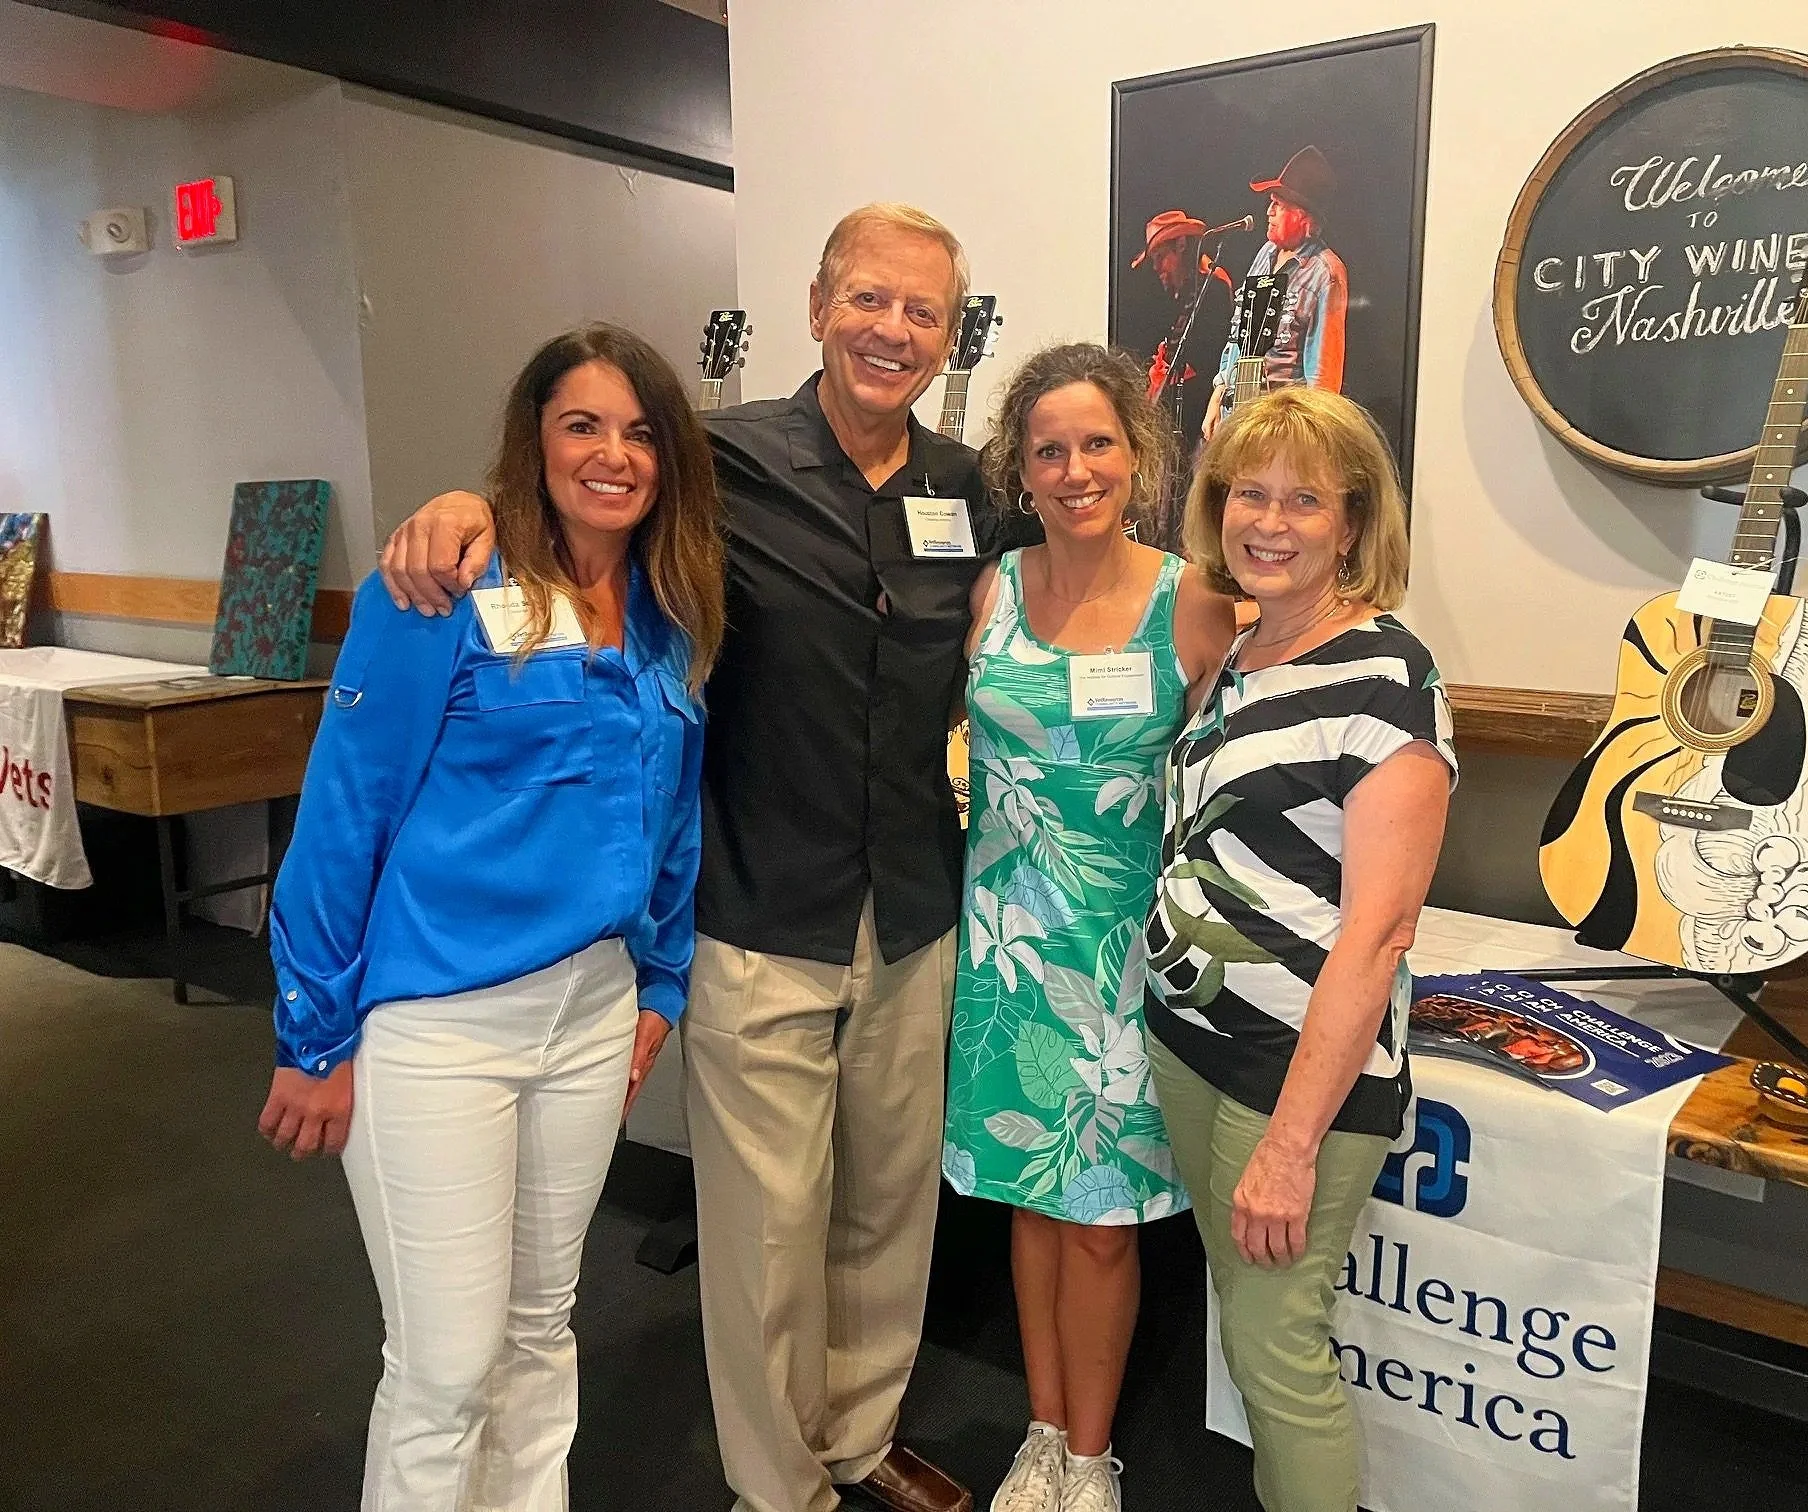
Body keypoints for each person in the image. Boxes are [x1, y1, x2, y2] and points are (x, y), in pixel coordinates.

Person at [375, 204, 1030, 1512]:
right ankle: (777, 1483)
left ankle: (858, 1435)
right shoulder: (717, 460)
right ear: (817, 306)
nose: (893, 331)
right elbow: (579, 500)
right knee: (766, 1237)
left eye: (922, 313)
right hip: (755, 905)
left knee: (887, 1215)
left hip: (912, 911)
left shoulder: (967, 491)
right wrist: (462, 505)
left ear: (950, 335)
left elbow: (1058, 607)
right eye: (870, 300)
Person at [256, 323, 722, 1510]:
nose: (613, 453)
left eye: (640, 432)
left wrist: (660, 986)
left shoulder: (667, 618)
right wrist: (311, 1036)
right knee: (445, 1367)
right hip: (437, 1025)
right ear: (536, 440)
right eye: (583, 424)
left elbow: (670, 821)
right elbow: (344, 815)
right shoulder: (441, 590)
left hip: (591, 1017)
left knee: (539, 1332)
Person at [1145, 387, 1455, 1512]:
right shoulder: (1241, 652)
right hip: (1192, 1046)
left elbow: (1377, 937)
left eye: (1305, 502)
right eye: (1248, 494)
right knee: (1248, 1328)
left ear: (1355, 527)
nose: (1268, 522)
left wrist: (1288, 1146)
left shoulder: (1385, 676)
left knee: (1280, 1358)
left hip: (1295, 1084)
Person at [943, 343, 1235, 1512]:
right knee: (1031, 1198)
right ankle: (1042, 1430)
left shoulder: (1194, 600)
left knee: (1104, 1223)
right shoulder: (994, 587)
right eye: (1050, 450)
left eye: (1097, 444)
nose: (1075, 470)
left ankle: (1092, 1453)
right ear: (1021, 467)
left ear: (1138, 455)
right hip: (1005, 940)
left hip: (1121, 956)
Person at [1203, 147, 1349, 440]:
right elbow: (1240, 334)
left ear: (1302, 216)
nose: (1268, 212)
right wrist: (1219, 391)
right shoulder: (1266, 253)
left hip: (1281, 432)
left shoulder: (1326, 273)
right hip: (1239, 417)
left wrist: (1306, 439)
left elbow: (1322, 380)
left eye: (1277, 205)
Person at [1131, 210, 1235, 547]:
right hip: (1180, 413)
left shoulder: (1213, 288)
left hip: (1198, 417)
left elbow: (1206, 359)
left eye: (1162, 258)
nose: (1159, 269)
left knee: (1188, 492)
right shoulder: (1187, 294)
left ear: (1181, 246)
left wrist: (1170, 371)